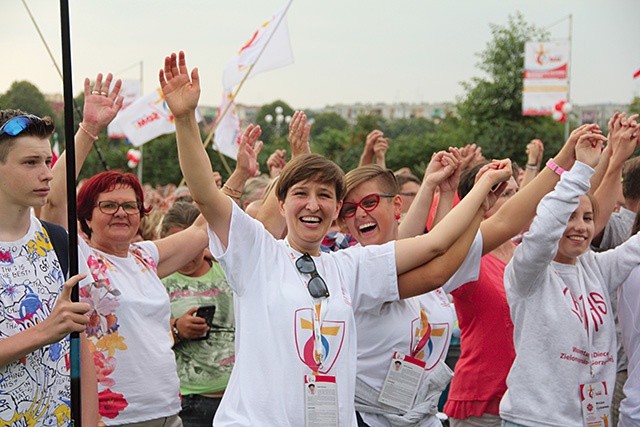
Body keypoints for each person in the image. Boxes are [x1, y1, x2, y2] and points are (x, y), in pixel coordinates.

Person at [160, 50, 511, 426]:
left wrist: (481, 191)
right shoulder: (258, 252)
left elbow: (437, 247)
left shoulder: (349, 265)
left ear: (336, 207)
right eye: (302, 193)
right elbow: (204, 193)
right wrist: (185, 119)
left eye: (325, 195)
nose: (313, 205)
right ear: (281, 203)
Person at [41, 73, 209, 426]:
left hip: (167, 411)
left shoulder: (145, 256)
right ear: (85, 217)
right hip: (112, 417)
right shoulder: (79, 255)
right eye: (109, 205)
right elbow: (54, 200)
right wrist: (88, 129)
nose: (122, 212)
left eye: (131, 206)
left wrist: (237, 174)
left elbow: (205, 226)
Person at [500, 123, 640, 426]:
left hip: (589, 419)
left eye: (587, 218)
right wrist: (578, 171)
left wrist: (617, 155)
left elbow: (635, 249)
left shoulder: (597, 267)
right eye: (569, 217)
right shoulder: (529, 271)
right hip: (535, 420)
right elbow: (543, 231)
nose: (580, 226)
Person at [0, 109, 98, 425]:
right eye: (30, 163)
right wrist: (43, 332)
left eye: (47, 161)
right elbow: (55, 328)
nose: (47, 173)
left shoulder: (57, 239)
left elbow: (78, 344)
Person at [159, 201, 235, 427]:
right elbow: (139, 337)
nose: (189, 256)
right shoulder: (158, 279)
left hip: (234, 397)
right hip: (187, 401)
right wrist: (176, 328)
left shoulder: (228, 271)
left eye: (194, 247)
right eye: (181, 247)